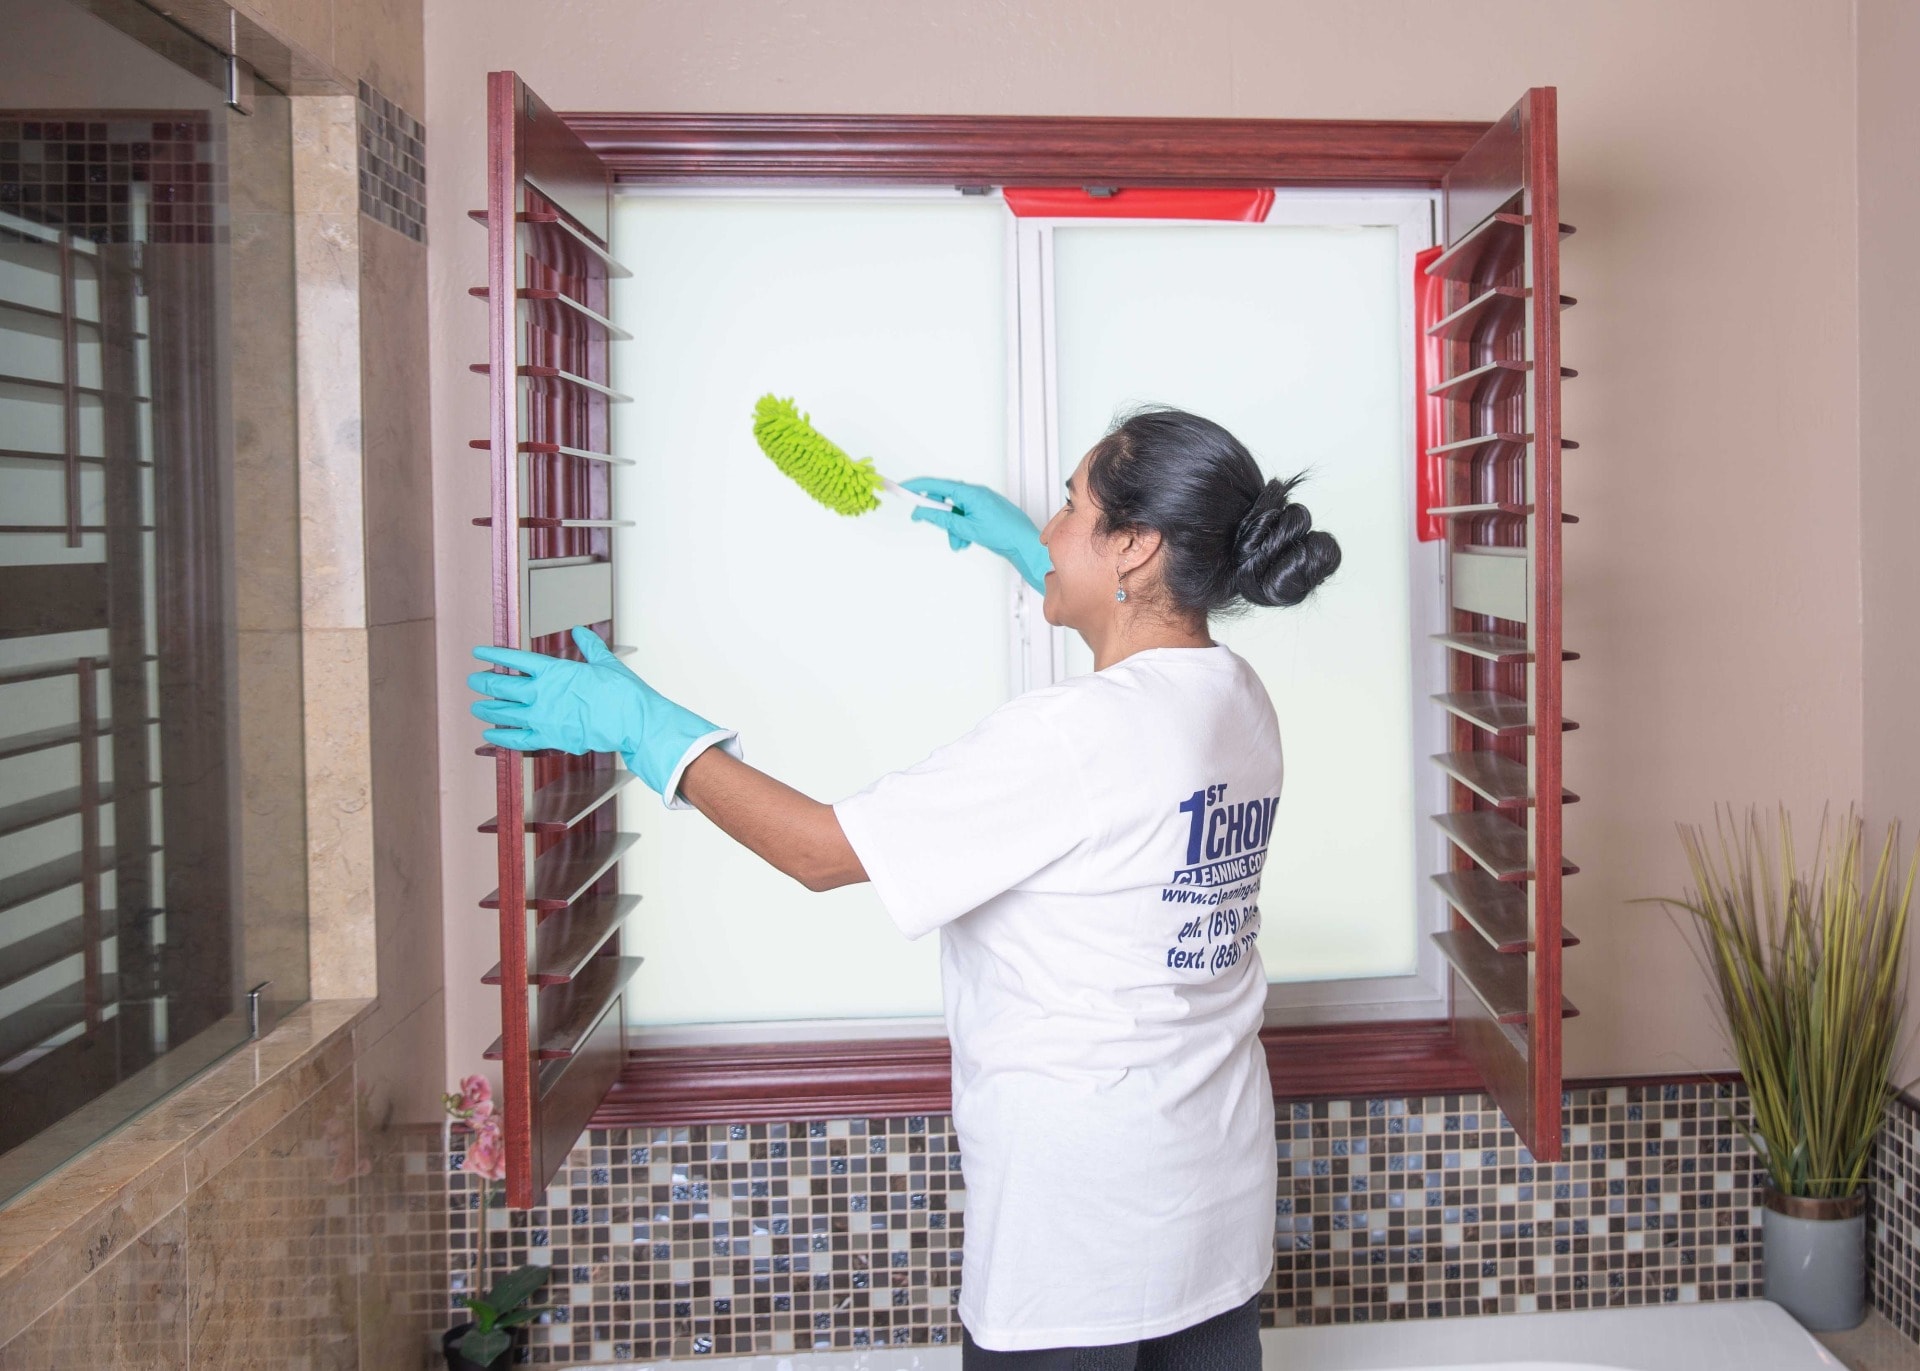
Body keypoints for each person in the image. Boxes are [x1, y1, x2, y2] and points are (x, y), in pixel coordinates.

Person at [468, 404, 1341, 1370]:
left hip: (1082, 1226)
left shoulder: (1070, 738)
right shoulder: (1238, 695)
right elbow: (1135, 719)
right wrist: (1030, 555)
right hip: (1212, 1194)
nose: (1048, 526)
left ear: (1133, 547)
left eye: (1066, 506)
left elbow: (821, 851)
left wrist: (651, 730)